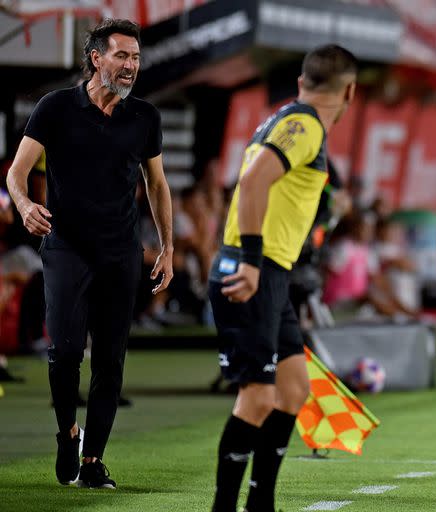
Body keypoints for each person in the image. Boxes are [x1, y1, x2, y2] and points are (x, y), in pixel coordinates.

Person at [5, 19, 173, 488]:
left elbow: (157, 185)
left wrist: (168, 246)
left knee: (111, 361)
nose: (131, 66)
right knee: (63, 354)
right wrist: (24, 205)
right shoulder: (55, 108)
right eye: (122, 56)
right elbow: (16, 173)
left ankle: (94, 460)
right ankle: (67, 433)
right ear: (96, 58)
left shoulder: (145, 117)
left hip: (121, 251)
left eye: (136, 58)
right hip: (65, 247)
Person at [207, 44, 357, 512]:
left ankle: (261, 504)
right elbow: (251, 182)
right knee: (257, 397)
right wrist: (250, 261)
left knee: (292, 391)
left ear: (302, 82)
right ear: (349, 91)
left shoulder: (293, 121)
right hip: (251, 271)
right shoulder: (305, 125)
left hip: (271, 274)